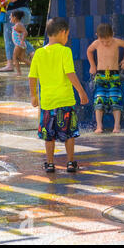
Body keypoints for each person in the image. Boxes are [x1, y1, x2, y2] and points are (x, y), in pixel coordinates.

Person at [28, 17, 89, 173]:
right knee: (69, 134)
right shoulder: (65, 51)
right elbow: (70, 73)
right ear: (62, 33)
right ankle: (70, 162)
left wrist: (33, 95)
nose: (67, 38)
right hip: (65, 101)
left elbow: (32, 76)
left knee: (48, 135)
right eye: (67, 35)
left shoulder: (39, 53)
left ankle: (49, 163)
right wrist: (81, 91)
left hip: (47, 103)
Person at [87, 23, 124, 133]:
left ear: (113, 35)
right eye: (103, 41)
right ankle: (99, 126)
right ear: (97, 36)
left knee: (115, 99)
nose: (106, 44)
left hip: (114, 75)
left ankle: (116, 126)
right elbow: (89, 51)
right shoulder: (97, 43)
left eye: (108, 41)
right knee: (99, 99)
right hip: (100, 74)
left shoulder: (116, 42)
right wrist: (92, 65)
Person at [10, 10, 30, 76]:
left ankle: (19, 73)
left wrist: (22, 40)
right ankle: (35, 67)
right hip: (21, 44)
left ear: (15, 18)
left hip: (19, 44)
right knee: (22, 58)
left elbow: (25, 32)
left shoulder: (18, 25)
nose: (10, 18)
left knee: (14, 57)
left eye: (11, 17)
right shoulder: (17, 25)